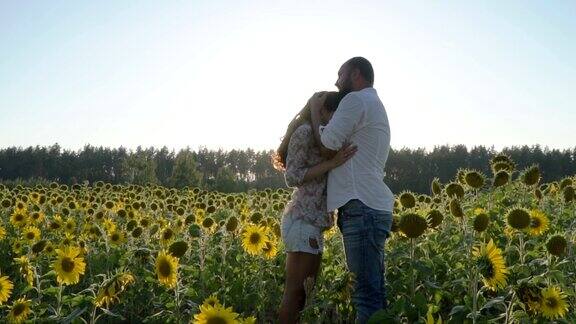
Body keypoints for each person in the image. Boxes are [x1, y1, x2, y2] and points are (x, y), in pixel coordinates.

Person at [309, 57, 395, 323]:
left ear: (356, 74)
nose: (336, 81)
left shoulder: (355, 100)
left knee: (365, 297)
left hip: (361, 207)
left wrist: (314, 111)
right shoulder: (375, 104)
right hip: (373, 206)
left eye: (340, 74)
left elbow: (328, 142)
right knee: (375, 294)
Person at [273, 91, 357, 324]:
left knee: (304, 296)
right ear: (324, 111)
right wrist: (332, 163)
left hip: (312, 222)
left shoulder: (323, 138)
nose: (337, 121)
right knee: (294, 294)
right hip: (302, 219)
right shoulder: (305, 132)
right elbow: (292, 176)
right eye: (335, 114)